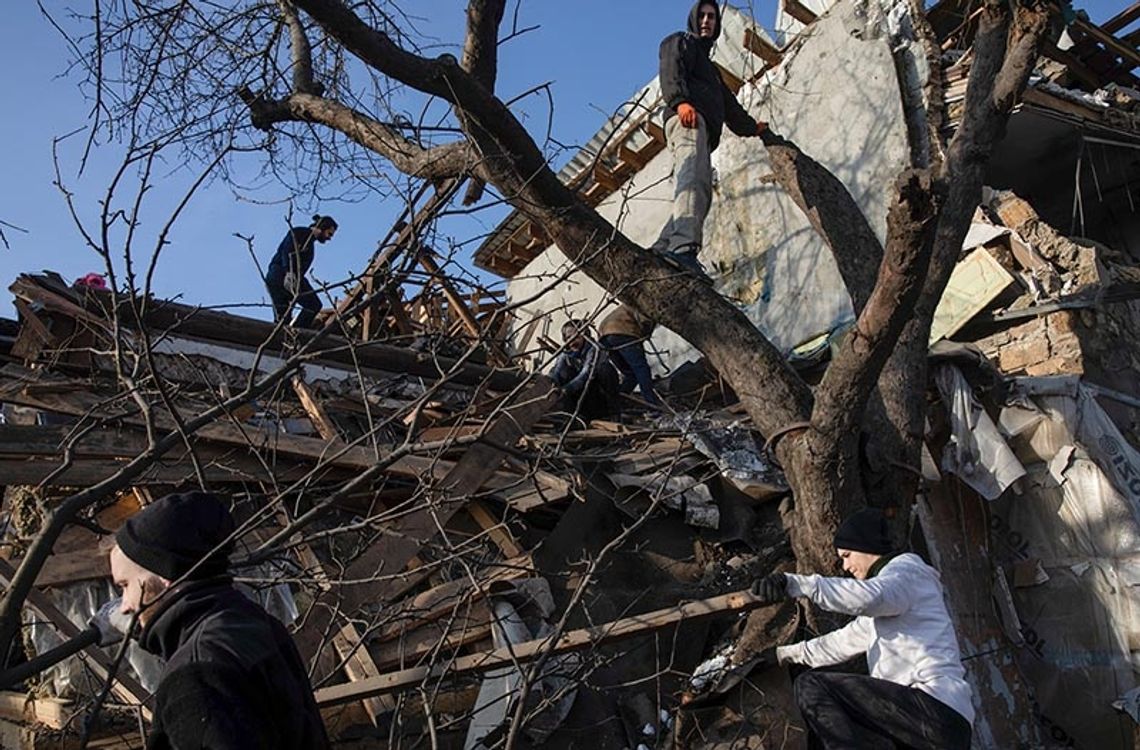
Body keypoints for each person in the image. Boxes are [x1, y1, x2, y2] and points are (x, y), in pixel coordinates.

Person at [106, 492, 330, 749]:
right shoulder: (255, 624)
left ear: (164, 575)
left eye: (124, 585)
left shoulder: (197, 672)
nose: (124, 605)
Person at [751, 508, 974, 749]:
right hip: (934, 725)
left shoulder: (907, 572)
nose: (845, 566)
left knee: (812, 686)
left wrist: (796, 583)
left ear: (867, 547)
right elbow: (839, 643)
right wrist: (782, 655)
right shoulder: (887, 608)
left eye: (847, 555)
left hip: (931, 706)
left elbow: (870, 597)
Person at [653, 2, 771, 279]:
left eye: (712, 17)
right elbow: (671, 68)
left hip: (703, 132)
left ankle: (661, 249)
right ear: (693, 19)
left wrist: (754, 128)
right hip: (688, 120)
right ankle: (683, 249)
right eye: (703, 16)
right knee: (693, 182)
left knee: (699, 192)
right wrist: (680, 102)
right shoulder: (682, 41)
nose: (707, 21)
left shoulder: (711, 72)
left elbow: (731, 109)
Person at [265, 214, 338, 329]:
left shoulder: (309, 244)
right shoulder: (299, 233)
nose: (329, 238)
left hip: (278, 277)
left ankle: (290, 335)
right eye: (329, 234)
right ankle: (297, 333)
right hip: (280, 274)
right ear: (322, 228)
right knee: (313, 305)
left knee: (283, 319)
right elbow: (287, 251)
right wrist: (289, 272)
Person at [550, 319, 618, 420]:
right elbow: (557, 370)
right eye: (568, 337)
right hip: (582, 392)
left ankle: (612, 412)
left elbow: (586, 374)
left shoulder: (594, 348)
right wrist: (551, 384)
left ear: (585, 336)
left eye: (577, 336)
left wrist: (566, 389)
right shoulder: (566, 353)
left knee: (605, 369)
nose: (572, 341)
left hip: (598, 391)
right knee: (562, 372)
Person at [598, 305, 661, 408]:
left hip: (604, 336)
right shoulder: (644, 305)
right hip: (622, 331)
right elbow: (646, 321)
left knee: (630, 374)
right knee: (641, 369)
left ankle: (618, 402)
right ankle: (652, 405)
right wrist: (645, 334)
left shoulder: (623, 308)